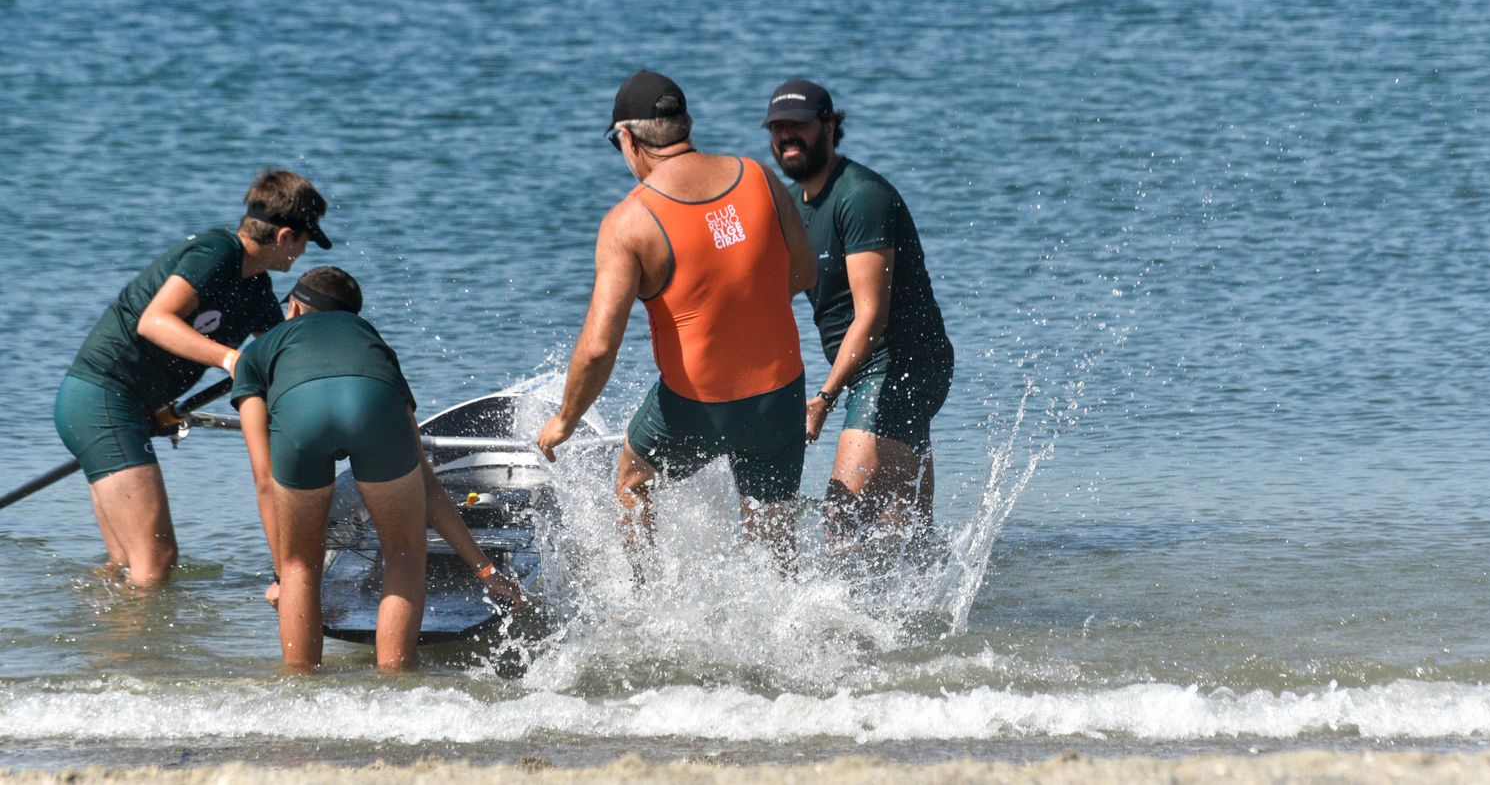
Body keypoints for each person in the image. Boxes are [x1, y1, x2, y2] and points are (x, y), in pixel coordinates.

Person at [536, 70, 815, 573]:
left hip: (696, 406)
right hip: (782, 393)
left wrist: (565, 420)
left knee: (632, 480)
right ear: (684, 125)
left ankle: (644, 608)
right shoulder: (759, 175)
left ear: (628, 138)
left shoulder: (630, 221)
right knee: (774, 536)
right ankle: (789, 626)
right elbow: (803, 271)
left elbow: (600, 347)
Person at [231, 266, 522, 672]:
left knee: (301, 563)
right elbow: (426, 481)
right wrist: (486, 571)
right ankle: (396, 683)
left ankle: (298, 686)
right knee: (403, 550)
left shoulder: (256, 354)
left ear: (294, 308)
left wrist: (281, 576)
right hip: (372, 401)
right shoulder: (370, 339)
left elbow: (264, 480)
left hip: (300, 414)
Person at [54, 169, 331, 586]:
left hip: (123, 410)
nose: (303, 254)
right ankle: (143, 654)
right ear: (285, 236)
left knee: (124, 568)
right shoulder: (216, 252)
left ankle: (98, 645)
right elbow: (154, 321)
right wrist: (231, 359)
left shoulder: (256, 290)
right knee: (157, 563)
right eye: (306, 241)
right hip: (101, 401)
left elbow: (282, 360)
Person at [762, 79, 955, 546]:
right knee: (903, 532)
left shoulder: (861, 197)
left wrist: (823, 400)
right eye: (778, 128)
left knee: (842, 521)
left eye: (800, 126)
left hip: (901, 364)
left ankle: (840, 620)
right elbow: (772, 296)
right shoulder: (792, 206)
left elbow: (870, 317)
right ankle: (939, 610)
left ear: (829, 126)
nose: (788, 137)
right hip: (870, 368)